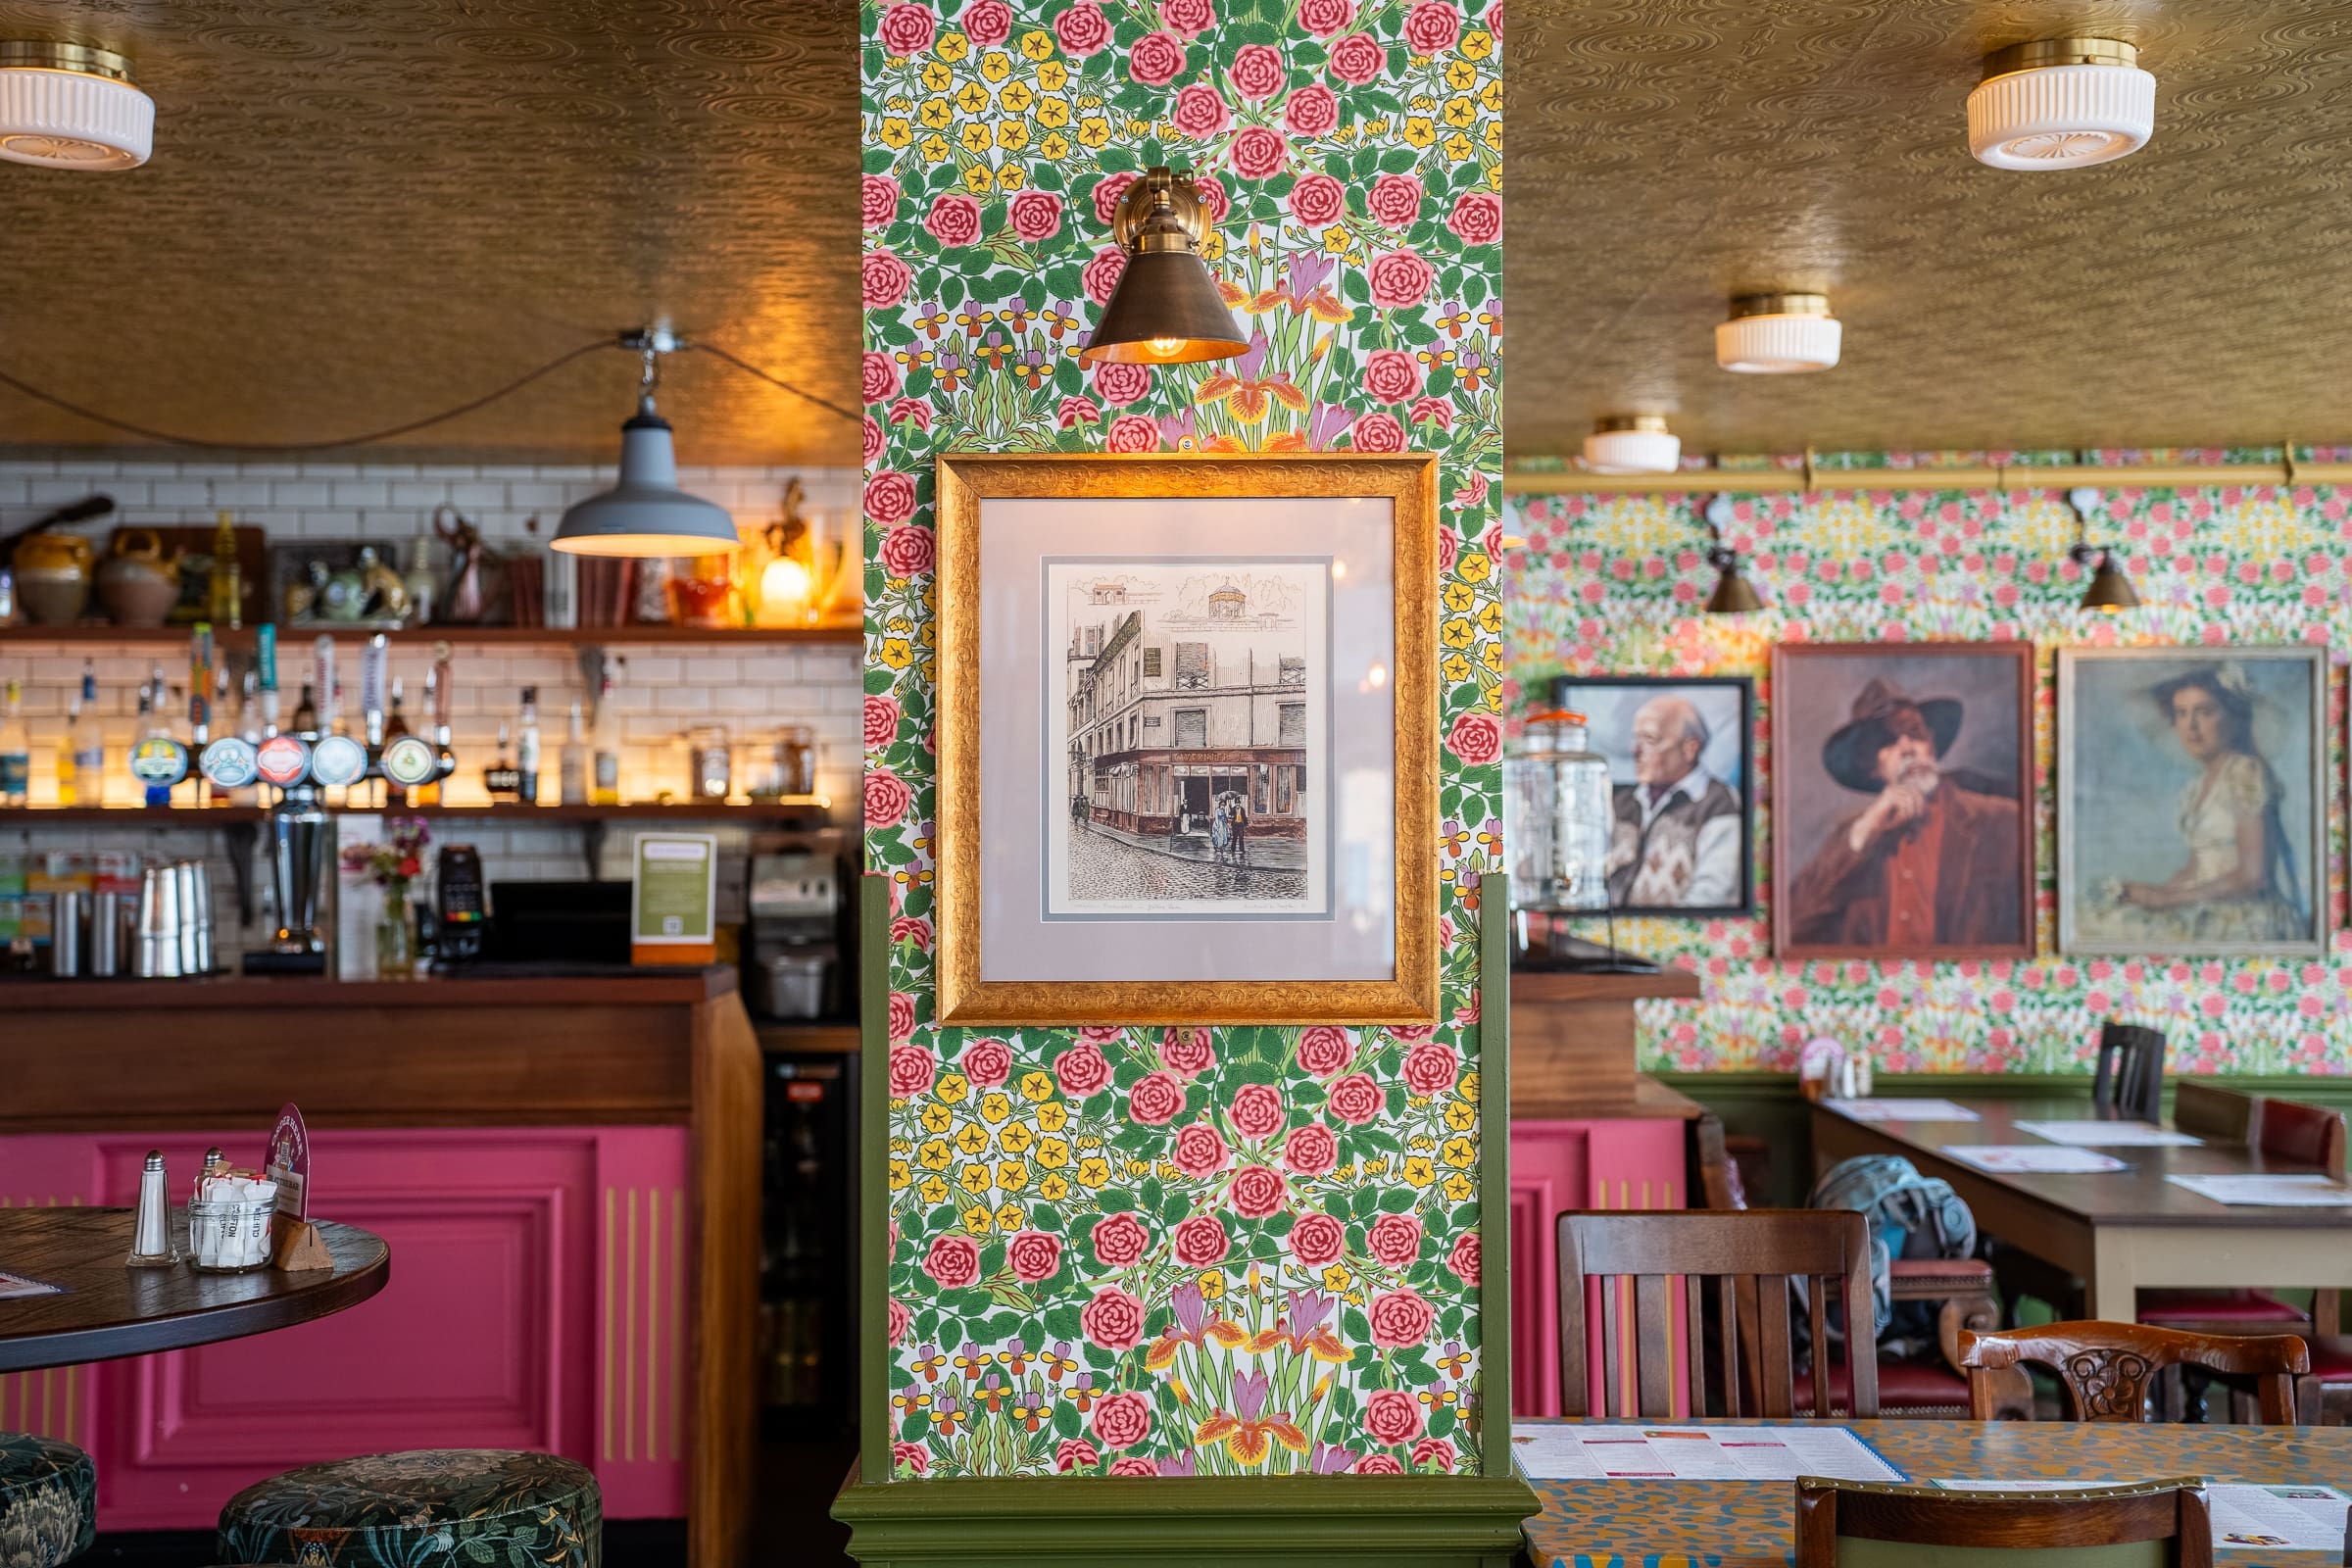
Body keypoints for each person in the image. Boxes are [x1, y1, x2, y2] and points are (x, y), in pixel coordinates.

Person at [1786, 678, 2024, 950]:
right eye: (1887, 742)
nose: (1907, 748)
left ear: (1932, 745)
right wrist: (1861, 837)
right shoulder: (1853, 837)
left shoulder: (2005, 822)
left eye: (1916, 733)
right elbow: (1789, 929)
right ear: (1872, 766)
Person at [2100, 663, 2304, 944]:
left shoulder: (2246, 773)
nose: (2191, 726)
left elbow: (2254, 877)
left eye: (2205, 712)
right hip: (2210, 908)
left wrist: (2167, 899)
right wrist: (2151, 893)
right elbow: (2199, 867)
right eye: (2181, 714)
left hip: (2248, 918)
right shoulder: (2196, 788)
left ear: (2234, 717)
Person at [1604, 693, 1742, 906]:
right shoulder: (1620, 801)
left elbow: (1713, 896)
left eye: (1649, 739)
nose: (1636, 750)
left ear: (1690, 748)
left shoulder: (1720, 803)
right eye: (1636, 738)